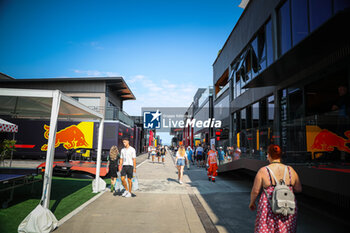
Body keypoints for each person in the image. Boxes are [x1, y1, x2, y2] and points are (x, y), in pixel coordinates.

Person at [249, 145, 302, 233]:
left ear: (268, 155)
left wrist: (252, 202)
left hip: (269, 207)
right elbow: (298, 188)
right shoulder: (290, 170)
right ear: (280, 155)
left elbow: (255, 191)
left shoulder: (263, 171)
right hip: (287, 207)